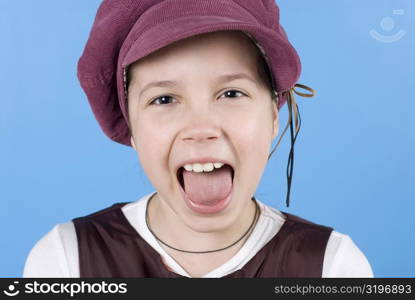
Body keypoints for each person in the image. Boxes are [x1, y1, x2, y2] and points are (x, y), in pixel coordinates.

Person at [23, 0, 373, 278]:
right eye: (164, 99)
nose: (201, 127)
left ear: (272, 117)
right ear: (132, 129)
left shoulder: (332, 267)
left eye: (232, 93)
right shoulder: (67, 261)